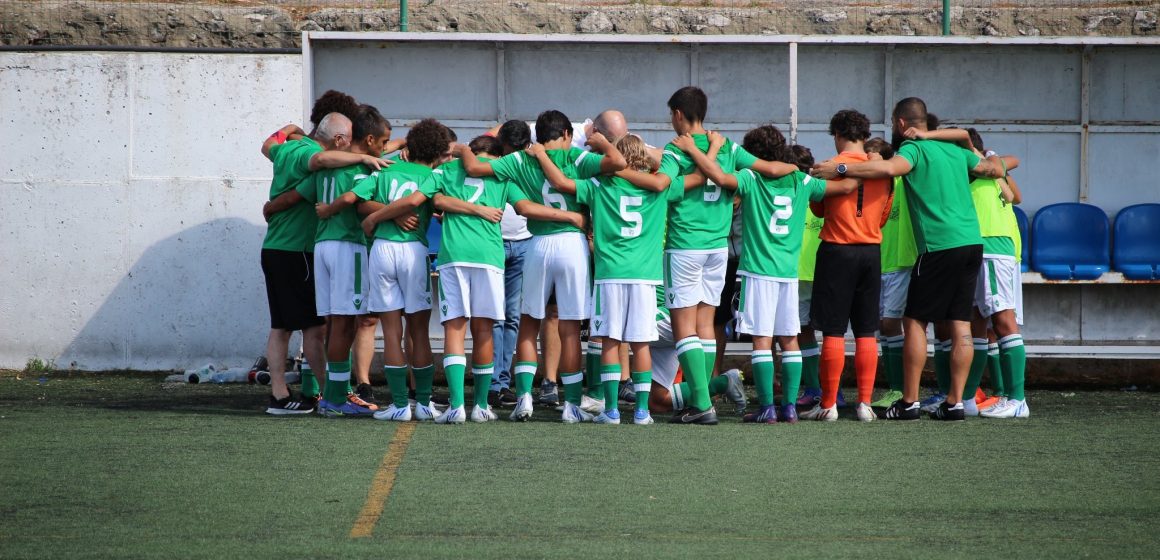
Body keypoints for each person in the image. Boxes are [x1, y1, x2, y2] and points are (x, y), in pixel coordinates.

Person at [811, 97, 1018, 421]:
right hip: (971, 244)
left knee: (914, 322)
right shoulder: (956, 151)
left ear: (900, 124)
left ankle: (909, 401)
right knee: (960, 324)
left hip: (937, 246)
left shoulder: (914, 149)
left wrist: (839, 167)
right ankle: (956, 402)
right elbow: (998, 165)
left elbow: (888, 168)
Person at [677, 127, 857, 423]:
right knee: (790, 341)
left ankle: (766, 408)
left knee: (761, 341)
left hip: (757, 272)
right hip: (787, 274)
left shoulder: (751, 177)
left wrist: (696, 149)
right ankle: (788, 407)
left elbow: (720, 178)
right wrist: (852, 166)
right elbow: (847, 187)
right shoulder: (802, 180)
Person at [458, 110, 626, 423]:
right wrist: (602, 142)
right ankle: (572, 405)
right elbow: (618, 163)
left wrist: (461, 148)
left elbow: (472, 166)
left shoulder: (520, 160)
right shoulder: (577, 158)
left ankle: (524, 397)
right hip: (572, 245)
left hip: (536, 244)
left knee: (528, 323)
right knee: (570, 328)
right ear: (565, 133)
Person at [417, 135, 586, 423]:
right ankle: (482, 405)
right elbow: (526, 208)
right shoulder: (503, 174)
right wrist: (569, 216)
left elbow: (431, 200)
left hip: (454, 256)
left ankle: (457, 406)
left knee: (455, 330)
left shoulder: (446, 170)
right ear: (498, 154)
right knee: (484, 330)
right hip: (489, 257)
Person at [656, 86, 797, 424]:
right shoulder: (729, 147)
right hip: (718, 248)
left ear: (678, 114)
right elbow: (771, 168)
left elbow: (665, 187)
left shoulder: (676, 150)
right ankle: (704, 399)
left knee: (684, 328)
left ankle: (701, 404)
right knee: (706, 325)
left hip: (684, 246)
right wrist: (797, 170)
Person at [258, 91, 385, 415]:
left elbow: (269, 148)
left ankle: (326, 392)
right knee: (303, 326)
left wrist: (289, 128)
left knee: (312, 327)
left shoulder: (286, 148)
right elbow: (320, 162)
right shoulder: (315, 156)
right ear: (341, 137)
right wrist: (364, 160)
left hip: (290, 247)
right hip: (297, 249)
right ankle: (284, 396)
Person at [535, 134, 671, 425]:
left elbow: (560, 183)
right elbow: (669, 164)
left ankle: (611, 411)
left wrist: (542, 155)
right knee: (641, 345)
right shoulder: (658, 188)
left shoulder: (599, 185)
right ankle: (642, 412)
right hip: (646, 276)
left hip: (610, 274)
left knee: (609, 341)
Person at [914, 127, 1029, 418]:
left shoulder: (980, 166)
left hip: (992, 246)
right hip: (978, 247)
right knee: (976, 320)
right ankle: (966, 398)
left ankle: (1017, 400)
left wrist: (986, 158)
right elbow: (1013, 191)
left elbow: (1013, 185)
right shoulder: (973, 172)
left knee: (1002, 319)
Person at [349, 119, 447, 422]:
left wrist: (382, 217)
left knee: (391, 331)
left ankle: (401, 406)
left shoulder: (385, 170)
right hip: (413, 252)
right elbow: (435, 205)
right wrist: (398, 214)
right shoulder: (435, 175)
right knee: (419, 332)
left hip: (381, 250)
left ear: (410, 146)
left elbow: (357, 200)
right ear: (438, 153)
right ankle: (424, 403)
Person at [800, 110, 893, 423]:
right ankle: (865, 403)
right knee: (867, 331)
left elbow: (818, 208)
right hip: (871, 251)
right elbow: (883, 215)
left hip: (837, 251)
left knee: (834, 331)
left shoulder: (829, 167)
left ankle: (829, 404)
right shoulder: (884, 170)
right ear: (865, 136)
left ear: (837, 134)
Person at [866, 137, 910, 409]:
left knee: (891, 324)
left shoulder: (903, 183)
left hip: (899, 262)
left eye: (874, 160)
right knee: (880, 328)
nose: (869, 166)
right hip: (874, 262)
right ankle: (892, 387)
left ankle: (899, 389)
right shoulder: (867, 187)